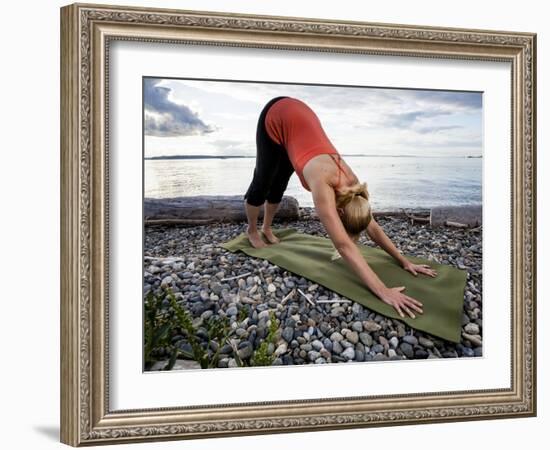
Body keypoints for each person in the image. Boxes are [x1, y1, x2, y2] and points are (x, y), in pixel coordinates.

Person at [243, 96, 437, 319]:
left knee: (279, 184)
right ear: (340, 212)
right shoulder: (322, 183)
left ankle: (267, 228)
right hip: (276, 114)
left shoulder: (355, 191)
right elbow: (344, 246)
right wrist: (383, 291)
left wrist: (404, 261)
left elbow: (373, 228)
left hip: (299, 119)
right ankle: (253, 230)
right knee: (263, 181)